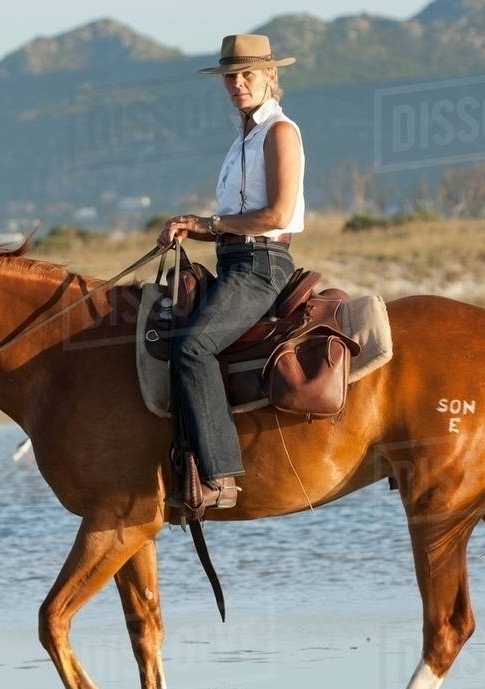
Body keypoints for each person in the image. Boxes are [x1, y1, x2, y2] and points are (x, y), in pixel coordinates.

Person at [157, 33, 305, 510]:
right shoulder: (242, 139)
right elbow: (232, 221)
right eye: (230, 77)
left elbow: (278, 215)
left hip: (262, 265)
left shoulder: (280, 133)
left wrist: (208, 224)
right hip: (235, 258)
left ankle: (221, 476)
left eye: (247, 74)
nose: (238, 84)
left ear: (269, 76)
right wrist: (190, 227)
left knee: (193, 346)